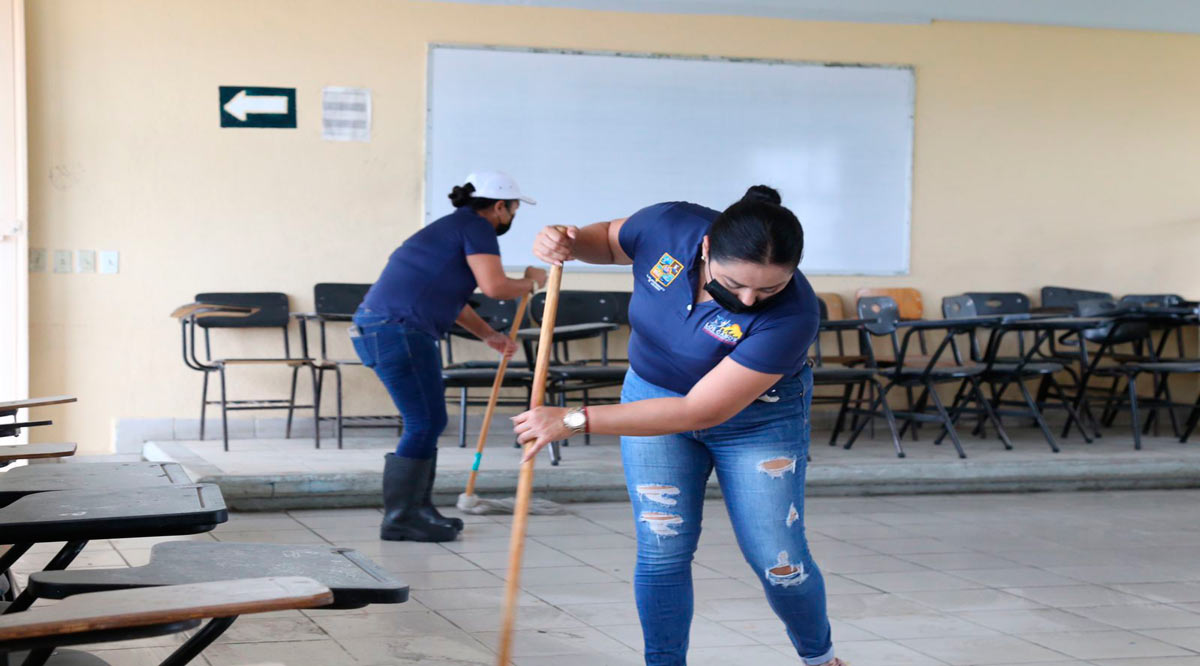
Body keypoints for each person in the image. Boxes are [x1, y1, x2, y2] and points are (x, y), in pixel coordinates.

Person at [513, 186, 846, 666]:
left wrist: (573, 418)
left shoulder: (794, 314)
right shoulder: (668, 226)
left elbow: (700, 410)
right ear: (707, 248)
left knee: (778, 560)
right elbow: (607, 241)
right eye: (734, 284)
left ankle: (820, 658)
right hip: (651, 393)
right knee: (662, 551)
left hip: (757, 420)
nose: (749, 300)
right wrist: (566, 242)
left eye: (768, 288)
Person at [353, 170, 547, 542]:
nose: (513, 216)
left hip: (388, 328)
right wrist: (536, 281)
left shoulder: (453, 229)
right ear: (500, 206)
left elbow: (453, 303)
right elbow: (496, 287)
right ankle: (402, 516)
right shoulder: (477, 227)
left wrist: (490, 336)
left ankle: (415, 511)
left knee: (426, 421)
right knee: (424, 422)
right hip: (397, 329)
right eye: (514, 209)